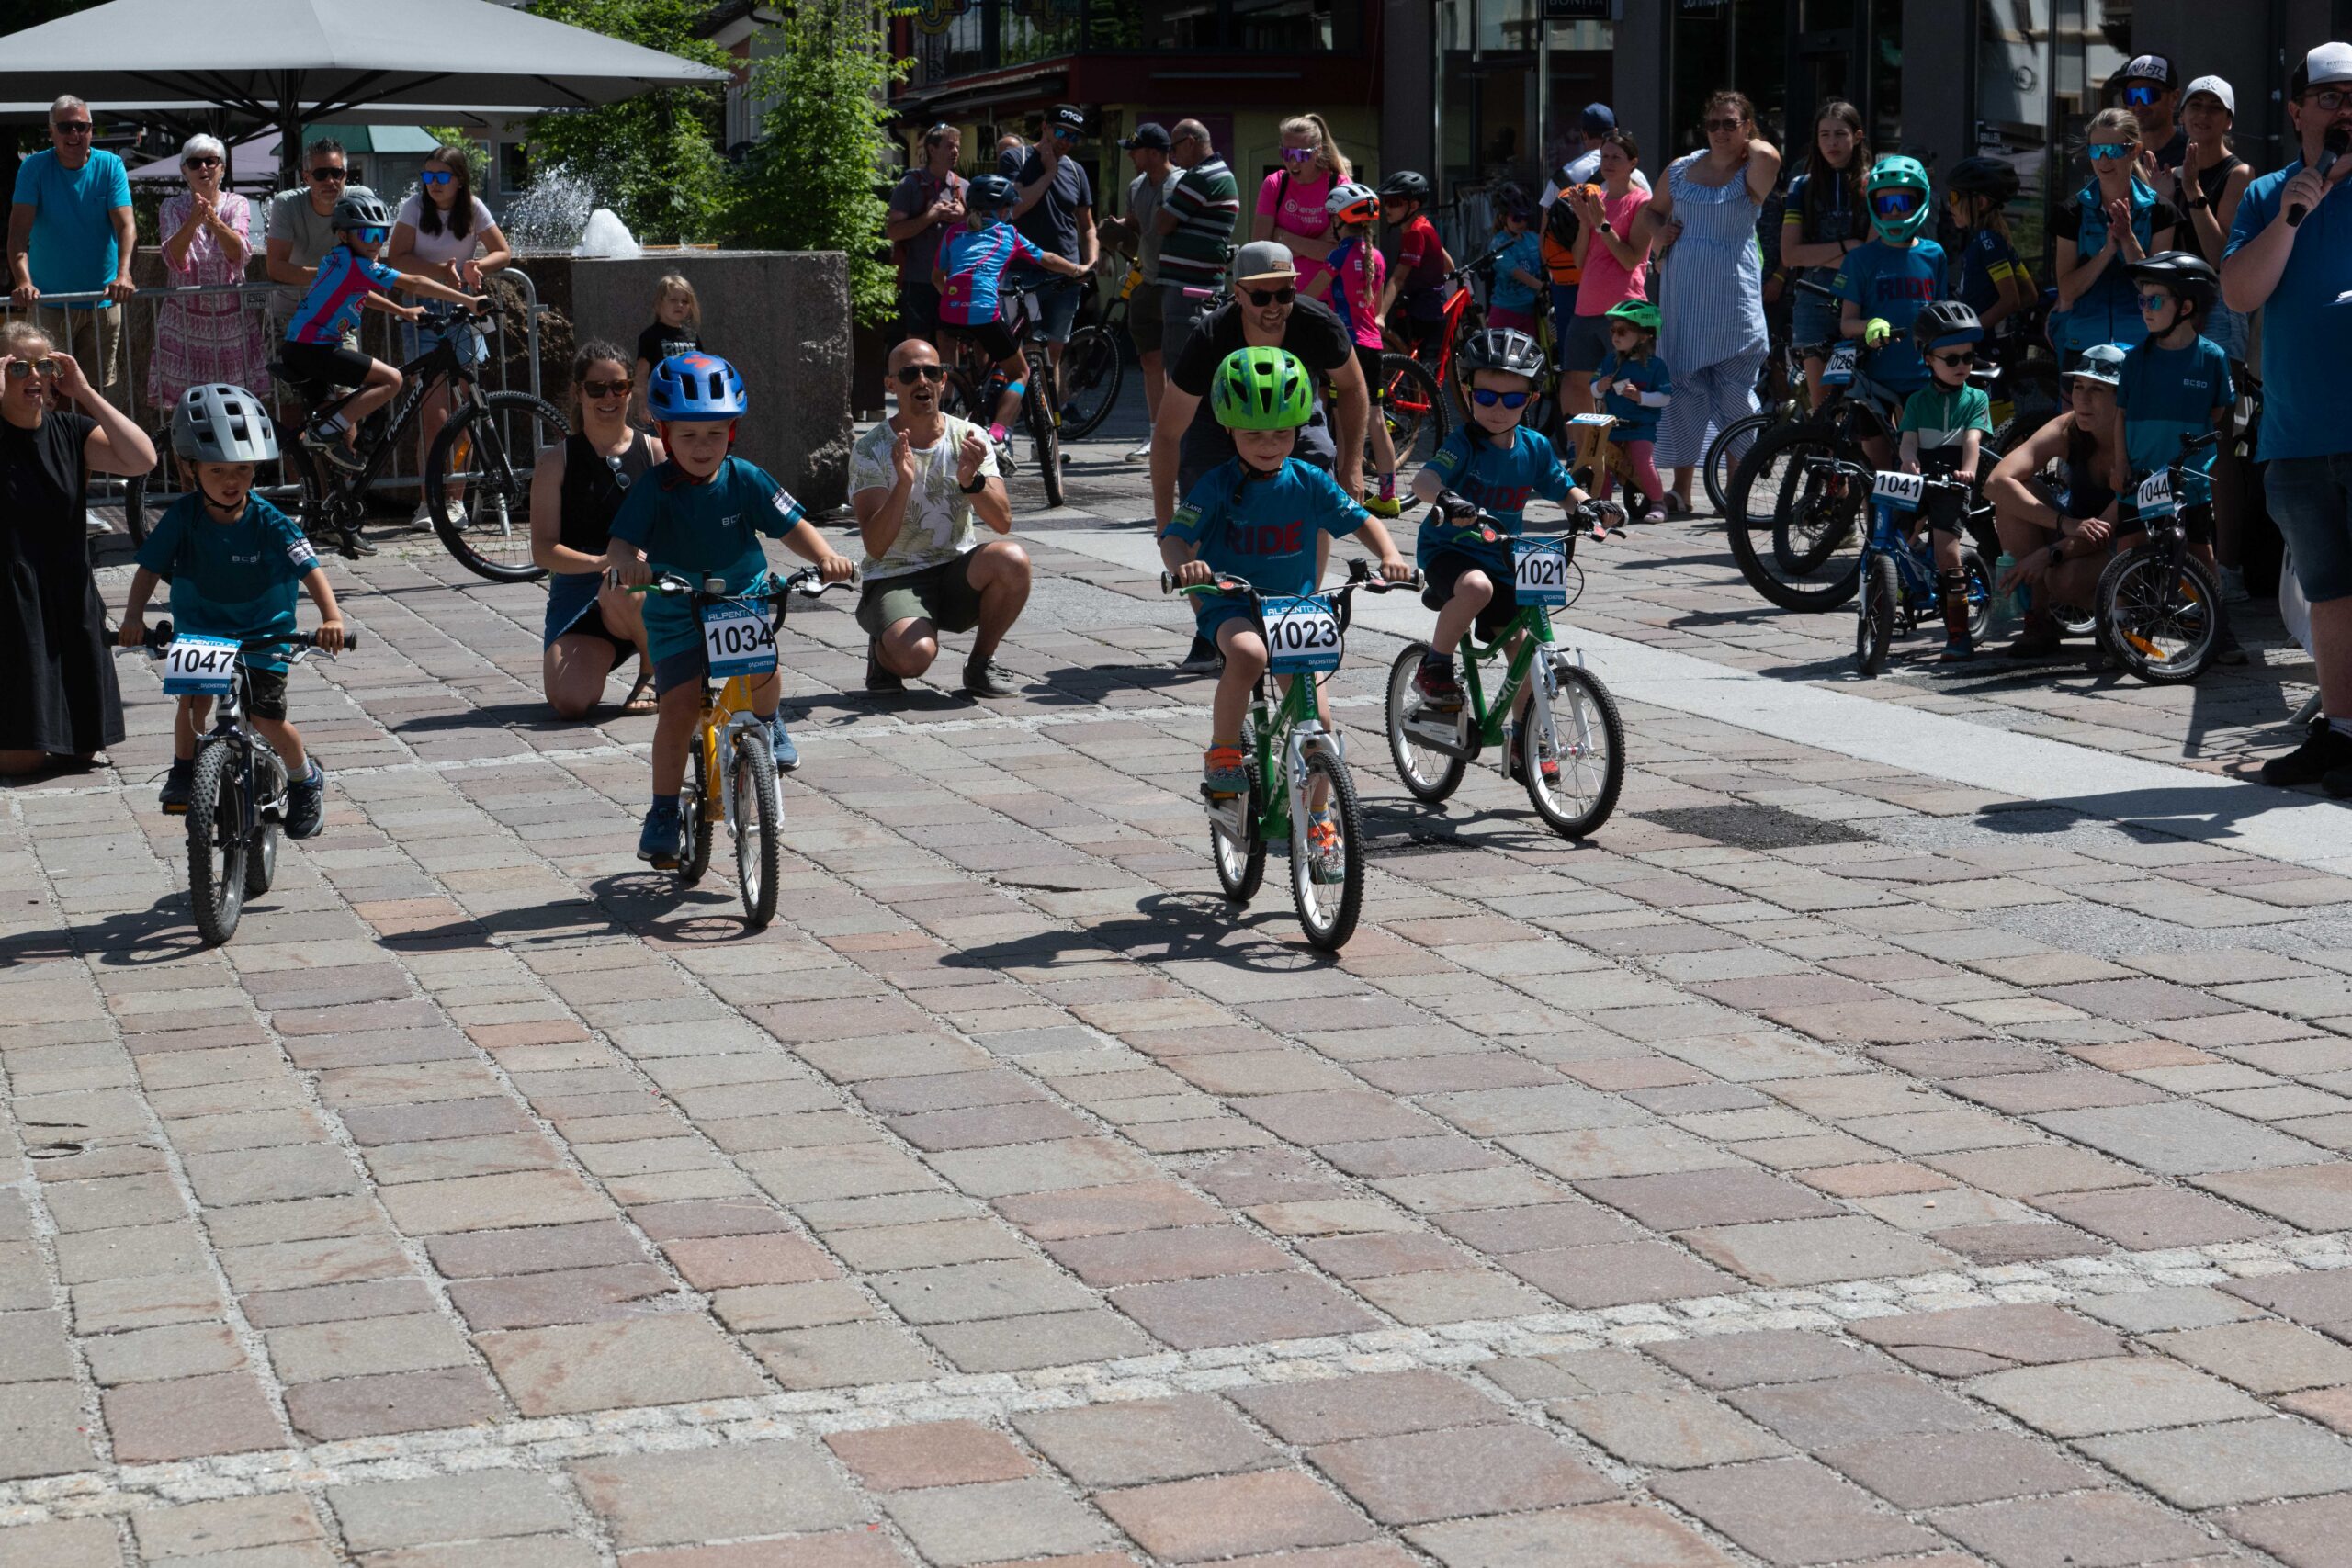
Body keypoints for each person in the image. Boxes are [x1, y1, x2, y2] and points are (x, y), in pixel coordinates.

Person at [603, 354, 855, 863]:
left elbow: (792, 527)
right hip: (676, 606)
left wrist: (826, 556)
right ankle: (662, 810)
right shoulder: (655, 488)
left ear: (732, 433)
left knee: (764, 670)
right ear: (665, 433)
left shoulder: (746, 478)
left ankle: (770, 721)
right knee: (677, 709)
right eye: (689, 436)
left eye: (715, 434)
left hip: (740, 597)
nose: (703, 447)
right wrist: (628, 566)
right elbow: (620, 546)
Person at [1160, 346, 1410, 840]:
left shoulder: (1310, 480)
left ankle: (1319, 816)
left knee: (1320, 723)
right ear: (1229, 430)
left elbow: (1362, 520)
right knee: (1248, 655)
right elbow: (1174, 536)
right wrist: (1184, 565)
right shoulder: (1215, 485)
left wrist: (1390, 554)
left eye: (1281, 433)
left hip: (1294, 609)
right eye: (1253, 434)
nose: (1269, 444)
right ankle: (1224, 753)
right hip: (1231, 603)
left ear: (1299, 429)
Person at [119, 385, 343, 834]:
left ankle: (304, 779)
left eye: (242, 469)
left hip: (265, 632)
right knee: (193, 705)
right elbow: (148, 570)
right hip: (202, 628)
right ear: (190, 468)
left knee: (266, 718)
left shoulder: (271, 521)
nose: (231, 480)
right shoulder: (182, 517)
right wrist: (132, 617)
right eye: (217, 469)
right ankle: (184, 770)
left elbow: (311, 570)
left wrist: (331, 618)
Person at [1155, 241, 1375, 670]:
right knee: (1204, 501)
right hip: (1219, 420)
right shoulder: (1211, 337)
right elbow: (1167, 434)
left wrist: (1352, 468)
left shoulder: (1317, 323)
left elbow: (1353, 387)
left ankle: (1301, 607)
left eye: (1284, 294)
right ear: (1238, 293)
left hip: (1291, 413)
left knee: (1318, 474)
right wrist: (1166, 524)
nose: (1274, 307)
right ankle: (1212, 628)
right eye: (1260, 296)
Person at [2228, 41, 2352, 790]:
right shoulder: (2270, 195)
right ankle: (2340, 732)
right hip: (2300, 434)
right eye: (2331, 97)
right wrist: (2293, 216)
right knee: (2330, 592)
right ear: (2299, 110)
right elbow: (2240, 292)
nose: (2345, 111)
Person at [1408, 328, 1621, 733]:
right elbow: (1424, 480)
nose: (1497, 409)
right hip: (1451, 551)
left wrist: (1589, 506)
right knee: (1477, 588)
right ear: (1468, 393)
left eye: (1512, 400)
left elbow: (1563, 488)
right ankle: (1435, 665)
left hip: (1504, 557)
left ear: (1531, 400)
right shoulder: (1463, 443)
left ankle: (1527, 740)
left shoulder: (1535, 446)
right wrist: (1447, 499)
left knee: (1525, 654)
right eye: (1486, 397)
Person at [0, 321, 156, 775]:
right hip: (12, 596)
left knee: (80, 752)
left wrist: (85, 392)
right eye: (19, 367)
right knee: (21, 760)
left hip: (68, 588)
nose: (34, 376)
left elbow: (141, 459)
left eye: (43, 365)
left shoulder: (70, 430)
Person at [851, 338, 1025, 698]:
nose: (922, 381)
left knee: (1013, 559)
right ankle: (884, 652)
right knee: (914, 657)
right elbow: (876, 546)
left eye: (931, 372)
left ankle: (981, 663)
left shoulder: (970, 436)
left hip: (955, 571)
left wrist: (971, 482)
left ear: (943, 381)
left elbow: (1002, 521)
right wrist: (903, 485)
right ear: (891, 384)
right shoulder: (870, 449)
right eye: (909, 374)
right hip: (895, 576)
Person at [1638, 90, 1781, 515]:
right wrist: (1659, 234)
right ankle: (1681, 489)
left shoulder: (1753, 169)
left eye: (1730, 123)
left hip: (1733, 300)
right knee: (1682, 387)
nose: (1720, 132)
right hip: (1683, 297)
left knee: (1736, 392)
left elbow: (1771, 156)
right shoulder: (1682, 168)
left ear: (1747, 127)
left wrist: (1749, 140)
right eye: (1713, 124)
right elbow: (1651, 211)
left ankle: (1735, 491)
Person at [280, 190, 485, 476]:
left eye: (382, 234)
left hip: (301, 347)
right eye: (367, 234)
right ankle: (324, 433)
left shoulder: (338, 258)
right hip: (315, 348)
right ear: (344, 235)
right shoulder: (358, 264)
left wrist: (401, 311)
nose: (376, 242)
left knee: (337, 418)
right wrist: (469, 301)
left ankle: (331, 491)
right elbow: (414, 282)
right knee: (392, 380)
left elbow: (360, 293)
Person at [2117, 250, 2241, 664]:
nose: (2145, 309)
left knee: (2200, 552)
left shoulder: (2212, 358)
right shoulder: (2135, 359)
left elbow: (2219, 411)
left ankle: (2217, 630)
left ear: (2185, 307)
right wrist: (2121, 462)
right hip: (2139, 475)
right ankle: (2121, 632)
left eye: (2154, 300)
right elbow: (2120, 414)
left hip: (2187, 478)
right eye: (2141, 300)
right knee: (2130, 547)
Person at [530, 341, 661, 719]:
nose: (609, 397)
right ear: (578, 392)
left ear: (631, 390)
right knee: (570, 702)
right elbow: (543, 551)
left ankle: (654, 667)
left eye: (619, 387)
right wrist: (602, 561)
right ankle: (626, 639)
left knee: (622, 582)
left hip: (643, 587)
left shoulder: (656, 453)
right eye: (596, 388)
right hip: (580, 590)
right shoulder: (555, 462)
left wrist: (634, 562)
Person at [387, 144, 511, 528]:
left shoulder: (473, 207)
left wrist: (478, 265)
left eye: (441, 176)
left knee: (467, 408)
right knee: (434, 415)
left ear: (459, 180)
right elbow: (396, 257)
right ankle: (429, 500)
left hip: (461, 312)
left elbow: (503, 252)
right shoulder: (413, 206)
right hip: (424, 311)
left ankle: (455, 499)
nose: (433, 183)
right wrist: (440, 270)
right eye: (427, 176)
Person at [934, 174, 1091, 461]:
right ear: (1002, 210)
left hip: (948, 310)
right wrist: (1077, 270)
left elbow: (937, 276)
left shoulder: (953, 233)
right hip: (983, 309)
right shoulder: (1007, 234)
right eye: (1009, 208)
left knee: (978, 365)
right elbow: (1047, 259)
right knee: (1020, 372)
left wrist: (955, 297)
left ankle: (961, 400)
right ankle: (997, 435)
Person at [1988, 345, 2129, 658]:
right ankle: (2038, 621)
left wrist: (2048, 554)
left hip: (2126, 547)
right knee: (2012, 497)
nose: (2083, 399)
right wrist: (2063, 524)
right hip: (2077, 534)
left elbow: (2105, 529)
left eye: (2097, 390)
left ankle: (2125, 614)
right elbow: (1996, 482)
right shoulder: (2068, 428)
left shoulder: (2136, 438)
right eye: (2078, 387)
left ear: (2122, 397)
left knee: (2063, 580)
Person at [6, 96, 136, 402]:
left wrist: (124, 275)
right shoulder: (34, 167)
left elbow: (126, 226)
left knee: (95, 395)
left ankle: (91, 437)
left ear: (91, 130)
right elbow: (17, 234)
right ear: (52, 131)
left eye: (82, 126)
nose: (74, 134)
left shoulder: (111, 165)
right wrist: (24, 282)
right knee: (46, 389)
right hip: (49, 303)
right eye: (65, 127)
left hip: (102, 302)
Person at [1835, 154, 1949, 467]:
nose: (1895, 211)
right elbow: (1846, 323)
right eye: (1886, 204)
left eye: (1903, 202)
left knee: (1920, 467)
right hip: (1875, 382)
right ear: (1874, 207)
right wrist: (1869, 324)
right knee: (1875, 468)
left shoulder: (1934, 255)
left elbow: (1941, 317)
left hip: (1922, 378)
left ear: (1920, 202)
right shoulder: (1860, 260)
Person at [1895, 301, 1995, 660]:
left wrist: (1967, 471)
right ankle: (1893, 589)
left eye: (1967, 357)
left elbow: (1973, 440)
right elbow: (1908, 440)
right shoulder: (1916, 401)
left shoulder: (1977, 398)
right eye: (1951, 359)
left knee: (1948, 552)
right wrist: (1908, 459)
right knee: (1893, 531)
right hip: (1921, 475)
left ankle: (1958, 633)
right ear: (1928, 359)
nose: (1961, 366)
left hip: (1953, 479)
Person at [152, 134, 271, 415]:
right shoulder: (171, 207)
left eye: (211, 161)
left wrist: (213, 220)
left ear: (222, 167)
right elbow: (172, 258)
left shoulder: (237, 203)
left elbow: (240, 253)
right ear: (184, 170)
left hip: (231, 326)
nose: (203, 168)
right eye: (194, 163)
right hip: (183, 325)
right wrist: (193, 220)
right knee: (188, 409)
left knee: (235, 405)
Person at [2052, 107, 2179, 362]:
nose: (2103, 160)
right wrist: (2107, 251)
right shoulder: (2072, 212)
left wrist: (2128, 239)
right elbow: (2066, 291)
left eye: (2113, 150)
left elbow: (2157, 293)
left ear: (2135, 150)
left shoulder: (2161, 211)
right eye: (2095, 151)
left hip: (2141, 347)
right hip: (2082, 348)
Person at [1306, 181, 1401, 519]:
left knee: (1344, 417)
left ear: (1338, 219)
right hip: (1372, 346)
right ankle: (1388, 496)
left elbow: (1310, 295)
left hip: (1346, 346)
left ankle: (1347, 493)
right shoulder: (1377, 256)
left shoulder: (1339, 254)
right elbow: (1371, 306)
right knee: (1373, 417)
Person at [1778, 101, 1872, 405]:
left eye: (1840, 134)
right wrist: (1848, 247)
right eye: (1825, 135)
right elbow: (1790, 255)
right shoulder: (1800, 186)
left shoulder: (1874, 184)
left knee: (1866, 401)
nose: (1832, 143)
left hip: (1862, 299)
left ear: (1857, 136)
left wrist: (1820, 254)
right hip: (1813, 300)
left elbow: (1871, 255)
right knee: (1823, 407)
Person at [1562, 131, 1654, 420]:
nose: (1608, 163)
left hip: (1623, 310)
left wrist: (1602, 225)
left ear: (1633, 163)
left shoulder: (1642, 202)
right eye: (1604, 157)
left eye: (1616, 157)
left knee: (1624, 386)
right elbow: (1579, 261)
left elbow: (1630, 260)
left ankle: (1626, 444)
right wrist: (1584, 223)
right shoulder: (1597, 201)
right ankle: (1585, 444)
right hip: (1586, 308)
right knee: (1575, 383)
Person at [1009, 104, 1099, 397]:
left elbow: (1087, 225)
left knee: (1054, 355)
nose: (1065, 142)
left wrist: (1091, 261)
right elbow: (1016, 208)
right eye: (1061, 133)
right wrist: (1049, 173)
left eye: (1073, 137)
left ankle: (1047, 425)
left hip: (1066, 275)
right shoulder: (1017, 158)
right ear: (1045, 127)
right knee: (1027, 352)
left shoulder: (1076, 171)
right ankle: (1020, 415)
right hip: (1024, 272)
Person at [2170, 77, 2255, 367]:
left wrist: (2193, 191)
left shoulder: (2239, 174)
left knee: (2216, 394)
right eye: (2195, 105)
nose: (2204, 114)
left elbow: (2219, 256)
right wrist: (2162, 199)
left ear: (2228, 122)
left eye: (2215, 108)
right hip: (2173, 300)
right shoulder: (2172, 175)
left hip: (2217, 305)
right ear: (2181, 116)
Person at [1108, 123, 1178, 465]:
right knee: (1151, 360)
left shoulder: (1180, 184)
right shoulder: (1136, 185)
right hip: (1145, 280)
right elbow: (1137, 226)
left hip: (1177, 282)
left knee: (1179, 362)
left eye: (1134, 150)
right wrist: (1116, 229)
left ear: (1152, 152)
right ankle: (1155, 434)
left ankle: (1182, 434)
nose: (1130, 156)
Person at [1159, 120, 1240, 373]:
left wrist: (1166, 196)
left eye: (1174, 148)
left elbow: (1163, 224)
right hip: (1202, 288)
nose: (1172, 157)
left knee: (1181, 368)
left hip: (1187, 290)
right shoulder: (1221, 173)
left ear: (1190, 143)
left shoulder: (1199, 177)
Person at [264, 139, 356, 342]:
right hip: (288, 314)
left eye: (336, 173)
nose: (330, 181)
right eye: (321, 174)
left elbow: (369, 261)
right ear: (306, 177)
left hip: (337, 315)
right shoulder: (286, 203)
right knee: (285, 363)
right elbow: (275, 268)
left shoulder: (359, 200)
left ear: (345, 175)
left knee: (348, 363)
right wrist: (336, 274)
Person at [1252, 114, 1352, 300]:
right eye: (1286, 153)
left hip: (1330, 300)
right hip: (1282, 298)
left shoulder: (1339, 186)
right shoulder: (1274, 184)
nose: (1293, 162)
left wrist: (1282, 237)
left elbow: (1339, 253)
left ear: (1318, 150)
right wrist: (1318, 241)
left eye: (1301, 155)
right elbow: (1262, 252)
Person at [886, 123, 968, 347]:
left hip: (953, 279)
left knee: (949, 340)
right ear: (932, 149)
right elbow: (893, 232)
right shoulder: (909, 185)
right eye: (949, 146)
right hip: (918, 279)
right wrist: (929, 217)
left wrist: (964, 218)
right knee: (916, 341)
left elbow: (980, 233)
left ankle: (949, 374)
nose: (956, 152)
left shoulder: (963, 187)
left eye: (957, 147)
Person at [1589, 299, 1672, 522]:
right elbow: (1594, 391)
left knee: (1643, 461)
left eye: (1622, 331)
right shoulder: (1609, 361)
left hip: (1640, 427)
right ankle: (1603, 506)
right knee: (1602, 462)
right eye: (1613, 330)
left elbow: (1665, 398)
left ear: (1644, 337)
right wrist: (1600, 387)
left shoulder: (1656, 366)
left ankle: (1658, 503)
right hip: (1613, 426)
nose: (1615, 336)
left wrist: (1640, 397)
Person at [1944, 157, 2031, 341]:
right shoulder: (1995, 239)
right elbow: (2029, 294)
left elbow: (2011, 300)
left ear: (1981, 203)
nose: (1949, 205)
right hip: (1996, 341)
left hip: (1988, 345)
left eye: (1954, 197)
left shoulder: (1987, 242)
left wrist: (1970, 332)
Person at [1374, 171, 1453, 363]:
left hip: (1422, 310)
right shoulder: (1424, 224)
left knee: (1393, 352)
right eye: (1386, 202)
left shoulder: (1414, 233)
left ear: (1414, 206)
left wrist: (1381, 315)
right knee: (1408, 359)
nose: (1387, 208)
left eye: (1394, 202)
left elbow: (1398, 278)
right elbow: (1449, 265)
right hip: (1430, 305)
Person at [634, 275, 705, 428]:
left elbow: (701, 371)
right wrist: (643, 405)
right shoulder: (650, 336)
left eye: (685, 301)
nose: (679, 305)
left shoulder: (693, 336)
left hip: (690, 406)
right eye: (673, 300)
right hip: (661, 407)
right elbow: (641, 374)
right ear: (659, 303)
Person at [1483, 185, 1544, 335]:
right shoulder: (1498, 244)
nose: (1522, 223)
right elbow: (1516, 272)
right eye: (1516, 218)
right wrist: (1543, 287)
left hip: (1530, 313)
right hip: (1505, 313)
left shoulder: (1533, 239)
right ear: (1503, 217)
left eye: (1525, 218)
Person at [2120, 53, 2188, 177]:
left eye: (2148, 94)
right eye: (2130, 96)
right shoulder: (2120, 156)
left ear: (2174, 98)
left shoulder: (2193, 155)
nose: (2138, 104)